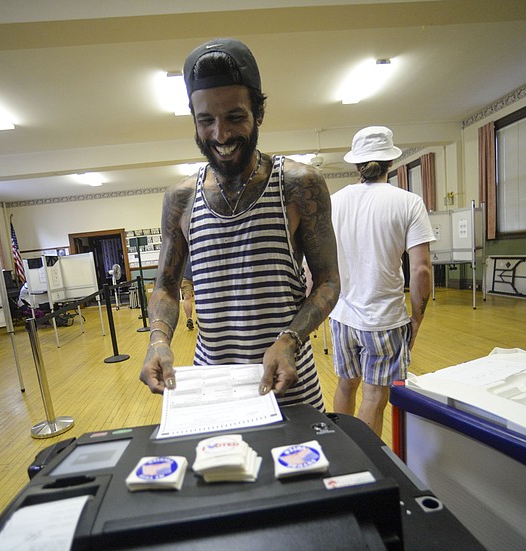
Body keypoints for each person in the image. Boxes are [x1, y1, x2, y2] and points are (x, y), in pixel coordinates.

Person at [139, 38, 340, 410]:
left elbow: (328, 282)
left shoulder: (297, 185)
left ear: (258, 113)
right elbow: (166, 290)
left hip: (289, 385)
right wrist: (159, 341)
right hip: (215, 391)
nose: (221, 134)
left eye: (235, 117)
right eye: (206, 121)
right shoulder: (180, 199)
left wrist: (289, 340)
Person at [329, 126, 435, 436]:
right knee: (375, 395)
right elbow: (421, 270)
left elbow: (315, 263)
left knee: (346, 385)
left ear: (356, 164)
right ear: (391, 162)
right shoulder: (408, 202)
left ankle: (343, 449)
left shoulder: (334, 202)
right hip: (385, 319)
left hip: (342, 316)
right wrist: (417, 316)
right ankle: (367, 461)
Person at [181, 259, 195, 330]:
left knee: (187, 298)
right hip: (198, 274)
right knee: (201, 297)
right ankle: (201, 318)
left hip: (185, 275)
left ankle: (189, 318)